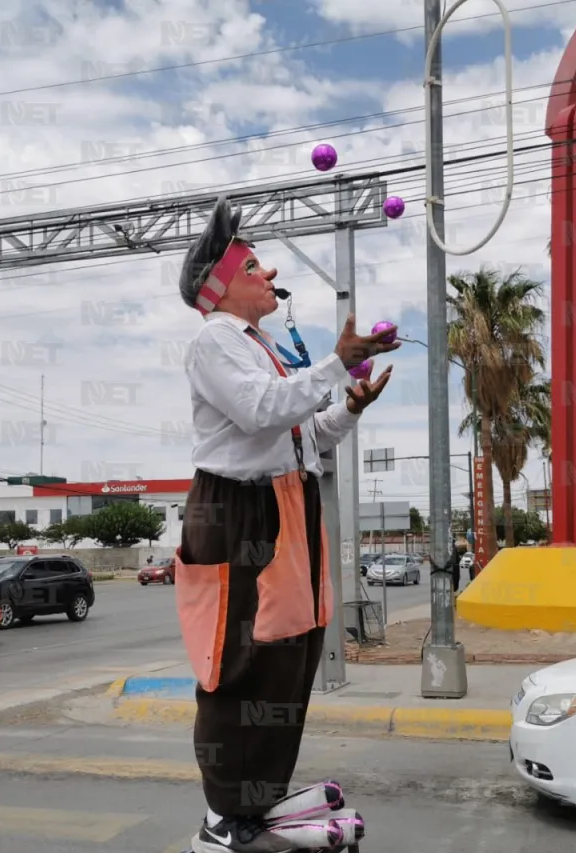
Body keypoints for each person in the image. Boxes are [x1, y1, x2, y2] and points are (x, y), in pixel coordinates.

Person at [174, 196, 399, 853]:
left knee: (289, 652)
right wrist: (335, 363)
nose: (270, 273)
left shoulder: (261, 345)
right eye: (253, 264)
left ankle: (260, 796)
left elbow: (305, 434)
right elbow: (259, 412)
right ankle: (223, 817)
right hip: (238, 509)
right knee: (239, 660)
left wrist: (349, 404)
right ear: (219, 284)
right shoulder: (214, 340)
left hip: (287, 502)